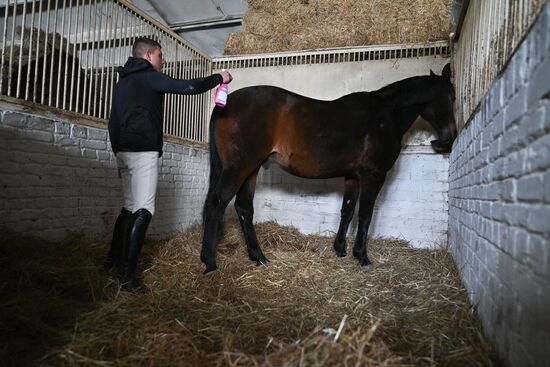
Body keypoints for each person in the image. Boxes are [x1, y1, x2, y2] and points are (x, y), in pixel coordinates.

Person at [106, 37, 232, 292]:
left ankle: (113, 262)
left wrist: (118, 153)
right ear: (149, 55)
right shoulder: (149, 76)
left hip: (124, 151)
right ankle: (127, 277)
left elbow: (112, 121)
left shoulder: (123, 83)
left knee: (129, 207)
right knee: (144, 209)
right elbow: (188, 87)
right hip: (143, 150)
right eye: (161, 56)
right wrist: (219, 77)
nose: (163, 61)